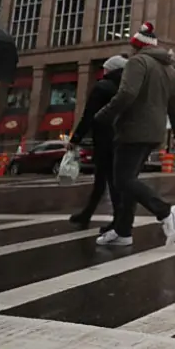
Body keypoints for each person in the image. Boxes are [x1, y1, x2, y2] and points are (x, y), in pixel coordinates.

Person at [93, 22, 175, 247]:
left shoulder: (137, 62)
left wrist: (104, 115)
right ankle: (123, 231)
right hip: (154, 132)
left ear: (137, 46)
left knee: (122, 180)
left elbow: (126, 93)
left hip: (133, 129)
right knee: (127, 181)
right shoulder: (170, 70)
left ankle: (165, 211)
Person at [68, 55, 128, 233]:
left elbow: (89, 115)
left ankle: (119, 220)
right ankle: (88, 213)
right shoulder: (126, 88)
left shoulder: (102, 87)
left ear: (109, 70)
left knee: (107, 179)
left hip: (104, 139)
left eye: (105, 68)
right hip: (123, 138)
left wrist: (75, 138)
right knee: (107, 179)